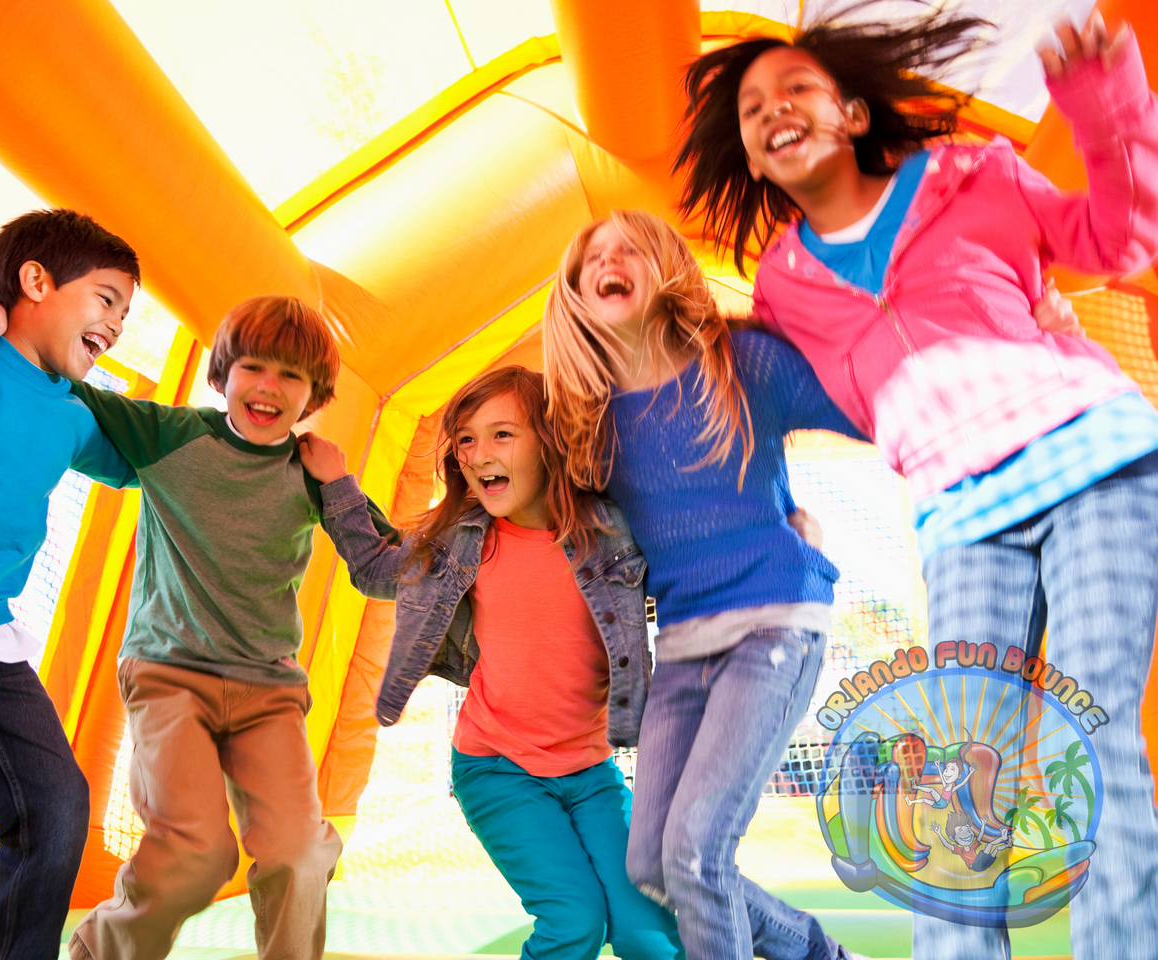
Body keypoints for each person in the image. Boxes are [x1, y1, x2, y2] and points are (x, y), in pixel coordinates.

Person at [676, 5, 1158, 958]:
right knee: (953, 767)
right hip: (961, 513)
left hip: (1087, 458)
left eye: (796, 89)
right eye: (752, 109)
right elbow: (836, 402)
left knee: (1092, 720)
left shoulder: (973, 177)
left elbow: (1119, 243)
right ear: (754, 156)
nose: (773, 110)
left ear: (853, 113)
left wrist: (1106, 112)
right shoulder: (782, 287)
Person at [542, 208, 868, 960]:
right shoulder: (589, 425)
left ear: (663, 269)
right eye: (590, 257)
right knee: (653, 863)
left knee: (696, 847)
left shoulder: (741, 362)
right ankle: (817, 953)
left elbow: (872, 403)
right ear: (575, 294)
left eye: (628, 248)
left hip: (776, 621)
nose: (607, 261)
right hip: (684, 647)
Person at [299, 364, 685, 960]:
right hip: (497, 767)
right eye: (466, 439)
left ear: (550, 440)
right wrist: (337, 484)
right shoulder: (462, 542)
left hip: (591, 772)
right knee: (574, 920)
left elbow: (688, 578)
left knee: (647, 931)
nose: (480, 454)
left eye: (502, 434)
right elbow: (378, 567)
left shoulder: (609, 535)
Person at [53, 296, 362, 960]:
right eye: (254, 366)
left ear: (313, 397)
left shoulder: (312, 475)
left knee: (299, 857)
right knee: (196, 854)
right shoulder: (170, 436)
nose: (268, 388)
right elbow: (66, 374)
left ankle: (306, 842)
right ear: (223, 373)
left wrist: (340, 485)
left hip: (268, 693)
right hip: (170, 678)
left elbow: (386, 566)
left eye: (291, 376)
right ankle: (96, 953)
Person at [0, 208, 140, 960]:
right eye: (106, 299)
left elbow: (160, 461)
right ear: (36, 281)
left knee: (55, 806)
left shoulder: (74, 418)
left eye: (126, 312)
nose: (117, 323)